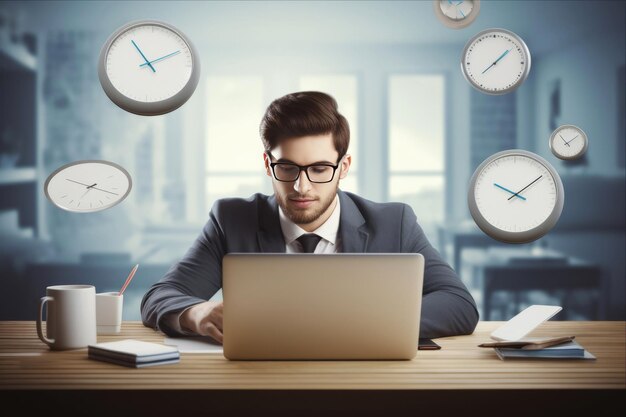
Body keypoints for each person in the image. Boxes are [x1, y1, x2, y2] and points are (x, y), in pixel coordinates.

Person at [141, 91, 479, 343]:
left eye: (319, 168)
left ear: (343, 167)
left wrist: (353, 323)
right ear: (267, 165)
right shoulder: (232, 219)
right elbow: (161, 296)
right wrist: (197, 314)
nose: (301, 187)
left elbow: (459, 304)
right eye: (287, 168)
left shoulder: (394, 223)